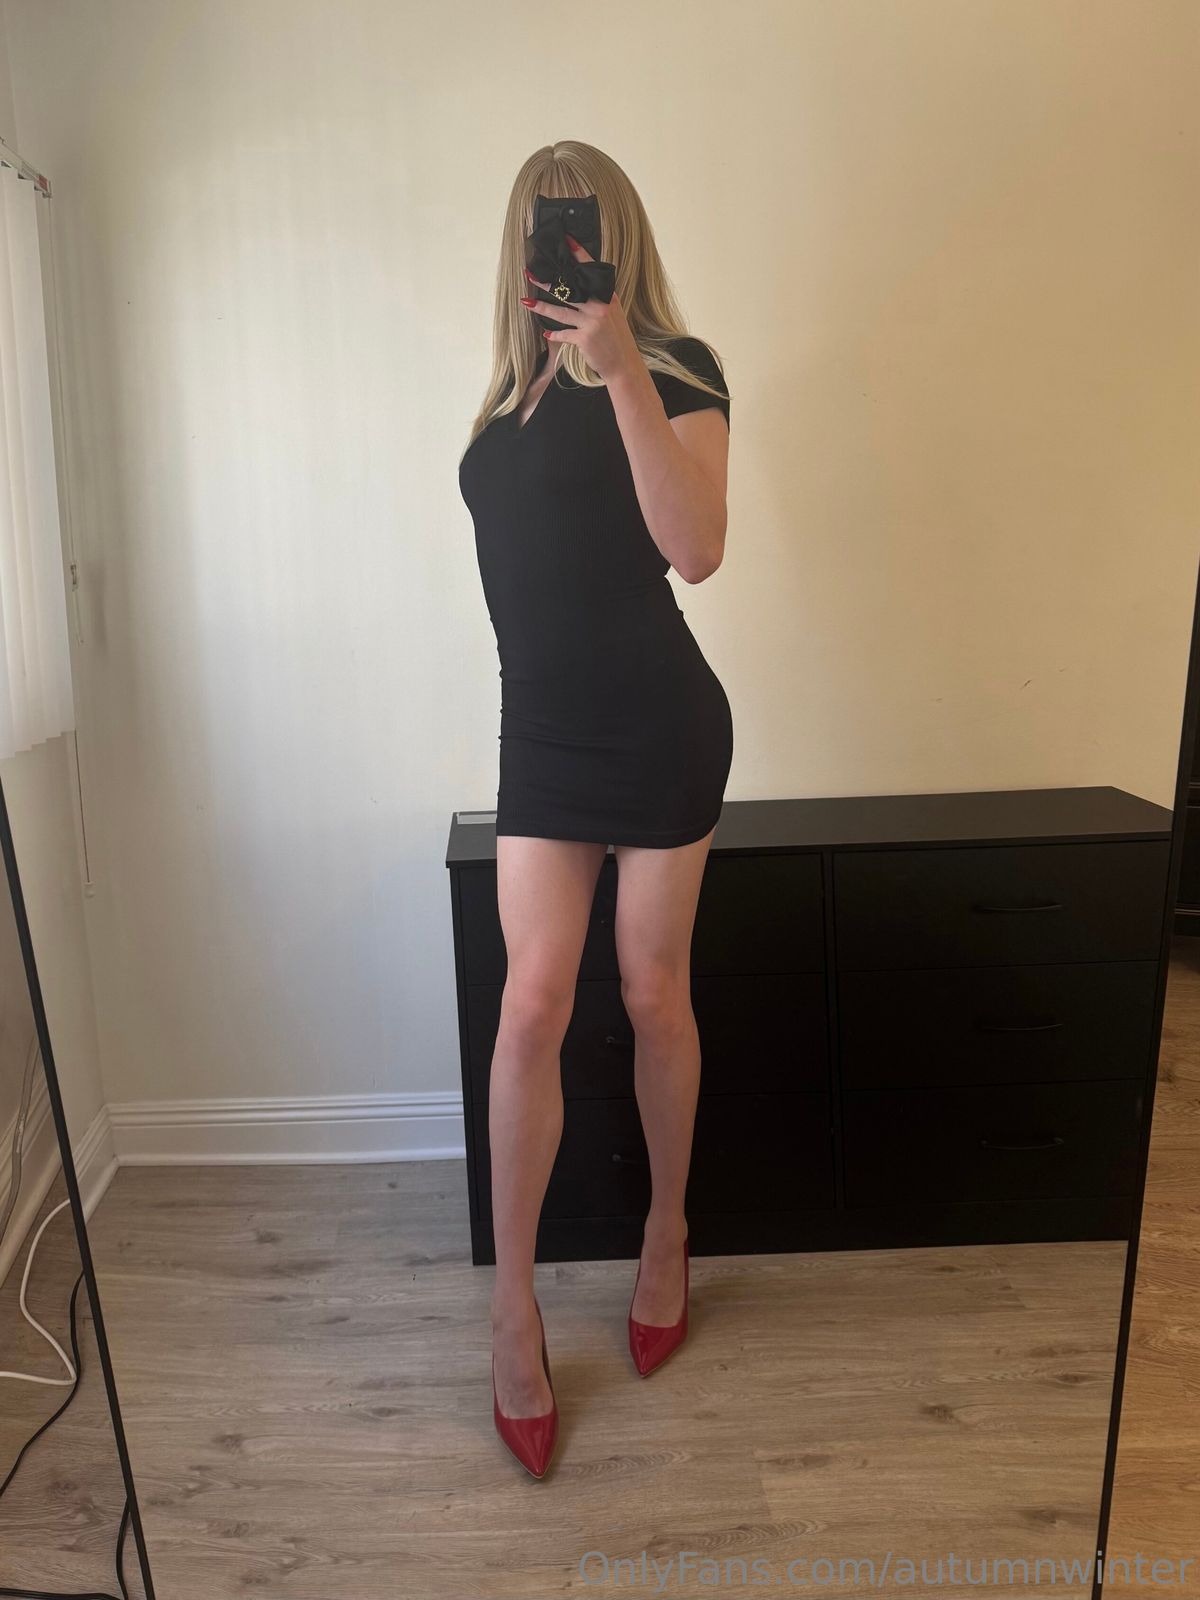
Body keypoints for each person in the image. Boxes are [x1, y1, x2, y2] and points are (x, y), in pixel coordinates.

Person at [457, 140, 733, 1479]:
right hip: (544, 738)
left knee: (652, 988)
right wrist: (566, 367)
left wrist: (620, 368)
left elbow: (698, 548)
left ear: (613, 237)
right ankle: (512, 1311)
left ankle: (666, 1233)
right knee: (531, 1005)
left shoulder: (680, 370)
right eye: (542, 225)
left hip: (660, 722)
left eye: (581, 225)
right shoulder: (499, 402)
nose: (561, 245)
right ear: (523, 244)